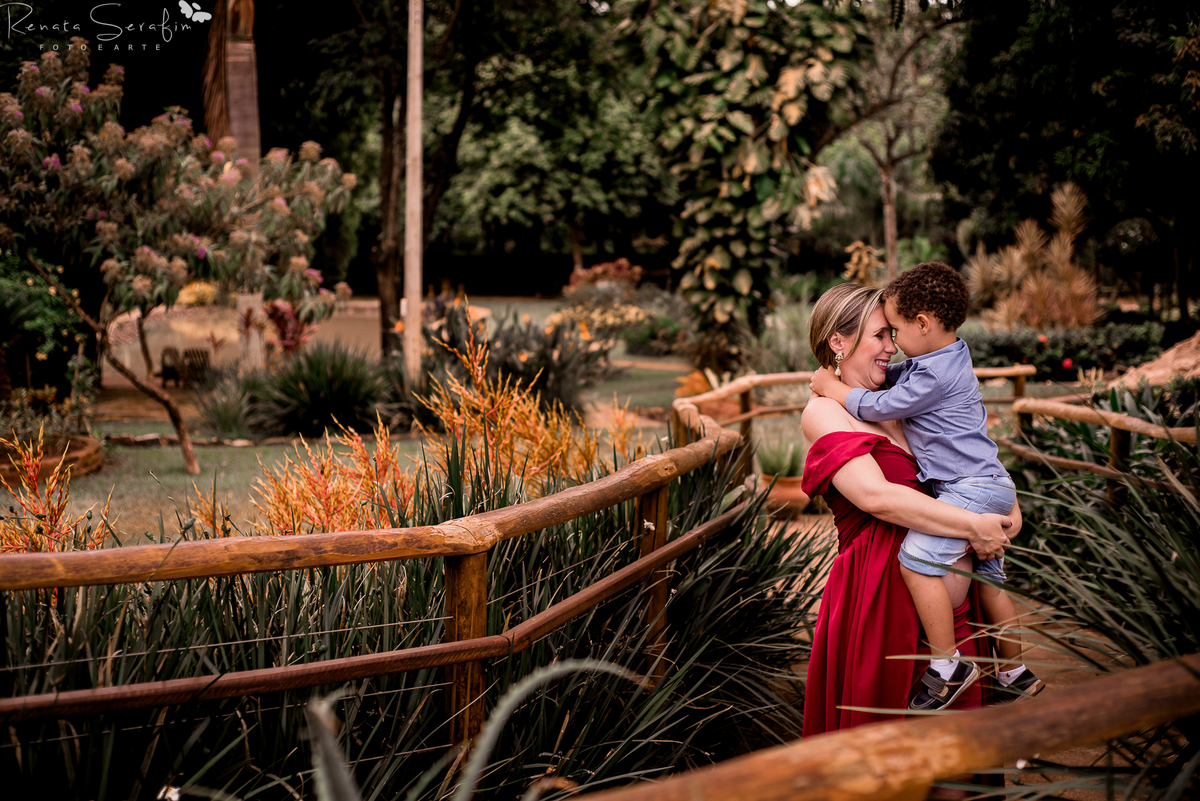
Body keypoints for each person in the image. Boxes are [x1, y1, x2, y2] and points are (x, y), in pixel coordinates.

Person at [810, 264, 1041, 711]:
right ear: (838, 342)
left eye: (892, 333)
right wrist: (978, 523)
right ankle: (993, 669)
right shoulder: (826, 412)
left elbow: (966, 471)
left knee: (957, 764)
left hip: (950, 600)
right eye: (881, 335)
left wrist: (1000, 515)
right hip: (882, 606)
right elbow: (878, 497)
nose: (891, 348)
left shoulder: (908, 399)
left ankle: (984, 668)